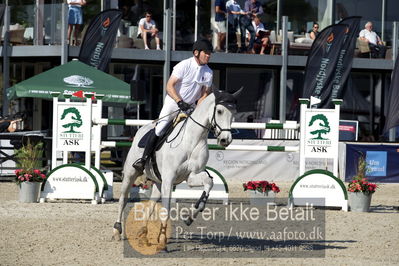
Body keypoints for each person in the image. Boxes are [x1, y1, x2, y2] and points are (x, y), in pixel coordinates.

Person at [133, 39, 214, 172]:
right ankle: (143, 159)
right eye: (206, 53)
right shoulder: (184, 65)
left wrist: (198, 109)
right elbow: (169, 86)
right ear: (196, 53)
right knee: (160, 129)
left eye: (210, 53)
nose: (209, 56)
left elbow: (204, 95)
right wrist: (179, 101)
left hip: (190, 108)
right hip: (173, 103)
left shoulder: (208, 72)